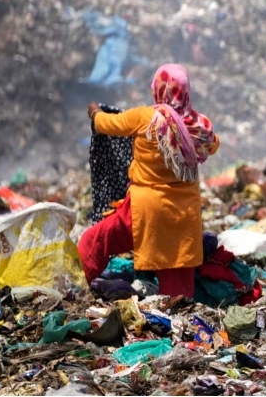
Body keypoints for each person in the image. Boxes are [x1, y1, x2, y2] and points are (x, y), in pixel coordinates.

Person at [78, 64, 220, 298]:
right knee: (178, 291)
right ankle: (178, 325)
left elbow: (107, 125)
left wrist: (95, 112)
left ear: (159, 89)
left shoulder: (145, 118)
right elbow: (214, 144)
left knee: (96, 240)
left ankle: (74, 287)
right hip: (183, 215)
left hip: (144, 211)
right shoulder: (200, 126)